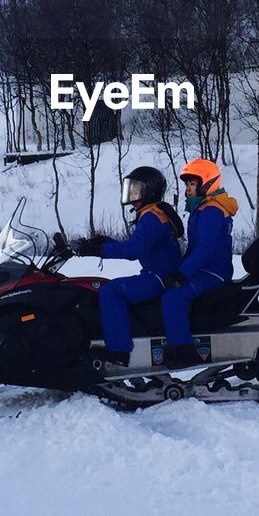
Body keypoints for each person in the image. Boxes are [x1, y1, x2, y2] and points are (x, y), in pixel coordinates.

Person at [71, 166, 183, 368]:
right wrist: (104, 242)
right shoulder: (151, 214)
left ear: (150, 190)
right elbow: (137, 247)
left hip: (159, 277)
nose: (131, 194)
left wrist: (97, 250)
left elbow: (133, 250)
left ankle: (119, 351)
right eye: (129, 188)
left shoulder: (152, 217)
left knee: (111, 291)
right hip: (157, 274)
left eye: (136, 189)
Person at [161, 158, 238, 370]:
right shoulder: (202, 209)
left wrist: (181, 274)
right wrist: (177, 270)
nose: (188, 189)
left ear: (206, 183)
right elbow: (196, 249)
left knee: (174, 296)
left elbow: (205, 249)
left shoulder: (211, 211)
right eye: (187, 184)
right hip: (205, 269)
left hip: (213, 272)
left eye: (192, 184)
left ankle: (183, 350)